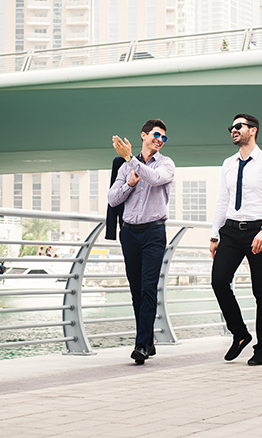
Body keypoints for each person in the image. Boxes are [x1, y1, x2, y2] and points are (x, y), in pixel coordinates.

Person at [210, 113, 262, 366]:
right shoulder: (228, 163)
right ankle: (240, 333)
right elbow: (223, 200)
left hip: (258, 230)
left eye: (238, 126)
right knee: (219, 281)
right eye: (231, 127)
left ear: (253, 130)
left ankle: (261, 348)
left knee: (261, 291)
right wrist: (214, 234)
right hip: (230, 230)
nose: (233, 130)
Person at [108, 119, 175, 365]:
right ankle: (147, 341)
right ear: (143, 135)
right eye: (156, 135)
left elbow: (155, 178)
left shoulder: (166, 164)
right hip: (129, 234)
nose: (160, 140)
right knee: (136, 291)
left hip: (153, 233)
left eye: (164, 137)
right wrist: (129, 184)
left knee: (148, 288)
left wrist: (130, 159)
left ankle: (140, 346)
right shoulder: (125, 167)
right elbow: (112, 199)